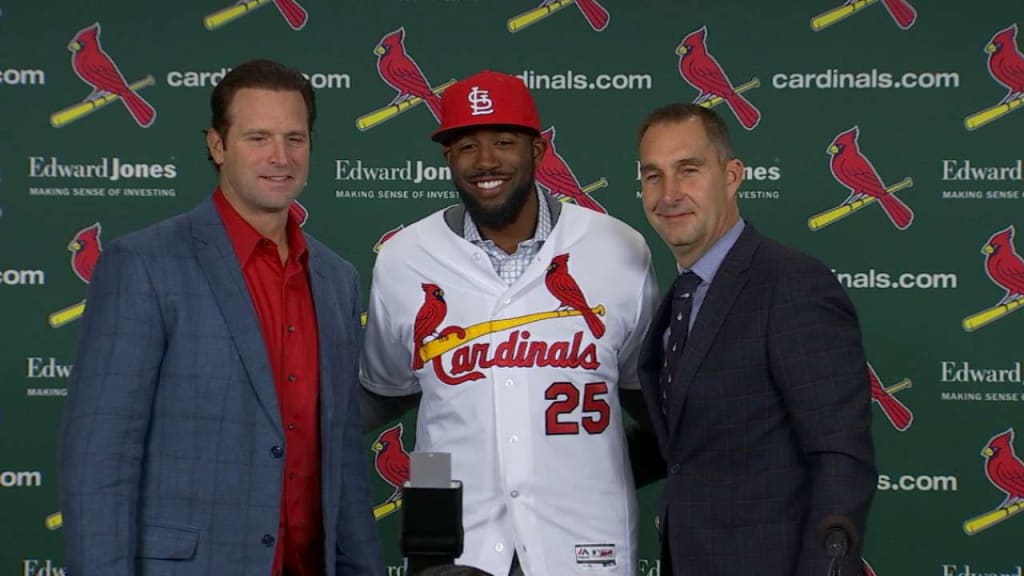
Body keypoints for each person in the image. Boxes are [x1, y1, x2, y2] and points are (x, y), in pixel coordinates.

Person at [59, 59, 384, 576]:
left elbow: (340, 454)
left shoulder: (335, 278)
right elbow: (100, 458)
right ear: (218, 145)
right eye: (258, 137)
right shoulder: (143, 265)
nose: (280, 157)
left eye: (294, 138)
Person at [360, 70, 658, 576]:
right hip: (455, 546)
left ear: (538, 151)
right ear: (447, 158)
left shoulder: (619, 250)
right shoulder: (403, 259)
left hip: (584, 543)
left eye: (503, 141)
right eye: (466, 145)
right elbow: (384, 389)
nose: (486, 161)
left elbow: (647, 394)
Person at [635, 102, 877, 575]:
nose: (669, 193)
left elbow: (840, 456)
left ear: (731, 176)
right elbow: (687, 447)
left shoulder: (790, 284)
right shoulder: (680, 298)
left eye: (689, 170)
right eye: (653, 176)